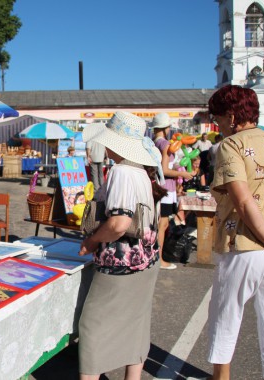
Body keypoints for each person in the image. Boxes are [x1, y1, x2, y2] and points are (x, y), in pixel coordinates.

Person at [78, 111, 166, 379]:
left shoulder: (121, 171)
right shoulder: (141, 172)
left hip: (121, 265)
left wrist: (91, 241)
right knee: (136, 325)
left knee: (91, 327)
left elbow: (119, 224)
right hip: (145, 262)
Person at [207, 85, 264, 380]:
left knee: (224, 318)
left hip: (244, 243)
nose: (217, 124)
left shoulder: (231, 145)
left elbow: (242, 201)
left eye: (218, 118)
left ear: (231, 116)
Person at [151, 112, 193, 269]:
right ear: (166, 128)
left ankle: (155, 257)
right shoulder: (165, 144)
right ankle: (159, 259)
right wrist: (182, 173)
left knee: (156, 224)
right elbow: (165, 170)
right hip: (166, 190)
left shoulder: (153, 143)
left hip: (157, 187)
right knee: (162, 225)